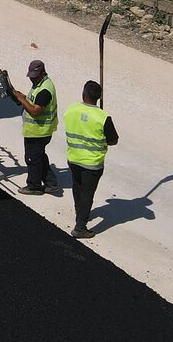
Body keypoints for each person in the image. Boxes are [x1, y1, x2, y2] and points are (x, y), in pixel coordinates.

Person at [62, 80, 119, 239]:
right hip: (92, 164)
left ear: (83, 94)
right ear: (99, 97)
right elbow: (113, 140)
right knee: (87, 194)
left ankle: (80, 213)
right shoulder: (102, 117)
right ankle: (80, 227)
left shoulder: (72, 109)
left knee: (77, 187)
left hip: (73, 158)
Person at [10, 59, 60, 196]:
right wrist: (22, 97)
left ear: (42, 73)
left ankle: (34, 186)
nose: (32, 79)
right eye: (30, 76)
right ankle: (51, 183)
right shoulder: (40, 84)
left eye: (34, 76)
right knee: (39, 156)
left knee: (32, 158)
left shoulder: (45, 90)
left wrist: (22, 100)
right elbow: (33, 101)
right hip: (38, 131)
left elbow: (35, 111)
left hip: (39, 131)